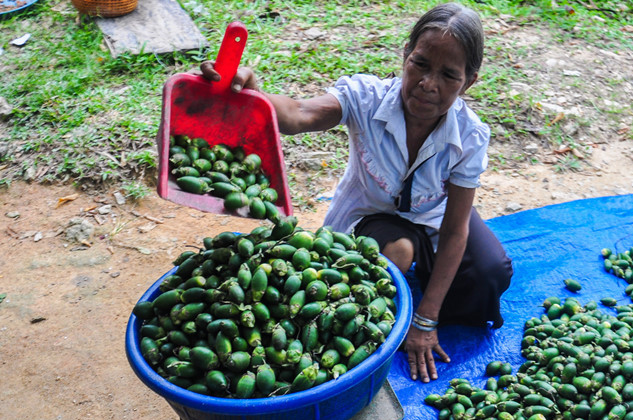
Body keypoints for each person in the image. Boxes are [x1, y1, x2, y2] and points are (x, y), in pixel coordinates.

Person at [199, 3, 513, 383]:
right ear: (405, 54)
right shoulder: (366, 97)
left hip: (432, 216)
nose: (429, 84)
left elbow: (455, 229)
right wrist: (252, 95)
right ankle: (390, 290)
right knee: (396, 254)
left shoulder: (470, 135)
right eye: (420, 64)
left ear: (469, 81)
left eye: (449, 75)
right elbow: (299, 114)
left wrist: (426, 319)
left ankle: (419, 296)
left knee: (491, 273)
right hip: (370, 214)